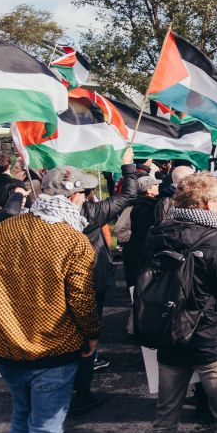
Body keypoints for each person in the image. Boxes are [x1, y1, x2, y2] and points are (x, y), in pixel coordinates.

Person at [0, 166, 101, 433]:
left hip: (5, 344)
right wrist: (92, 335)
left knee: (22, 415)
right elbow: (81, 298)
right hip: (52, 347)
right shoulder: (74, 240)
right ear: (73, 198)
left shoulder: (0, 230)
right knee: (45, 429)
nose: (86, 199)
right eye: (85, 193)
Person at [144, 172, 217, 433]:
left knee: (164, 421)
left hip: (170, 335)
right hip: (212, 341)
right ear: (203, 204)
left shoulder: (158, 233)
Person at [72, 148, 139, 413]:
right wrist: (128, 165)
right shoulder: (90, 213)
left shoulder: (39, 215)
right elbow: (129, 195)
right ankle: (82, 389)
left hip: (59, 282)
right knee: (88, 336)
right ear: (78, 195)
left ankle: (69, 382)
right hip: (91, 278)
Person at [124, 176, 161, 290]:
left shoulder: (135, 204)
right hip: (140, 251)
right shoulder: (147, 208)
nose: (158, 186)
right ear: (148, 190)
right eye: (155, 185)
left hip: (131, 248)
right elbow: (143, 232)